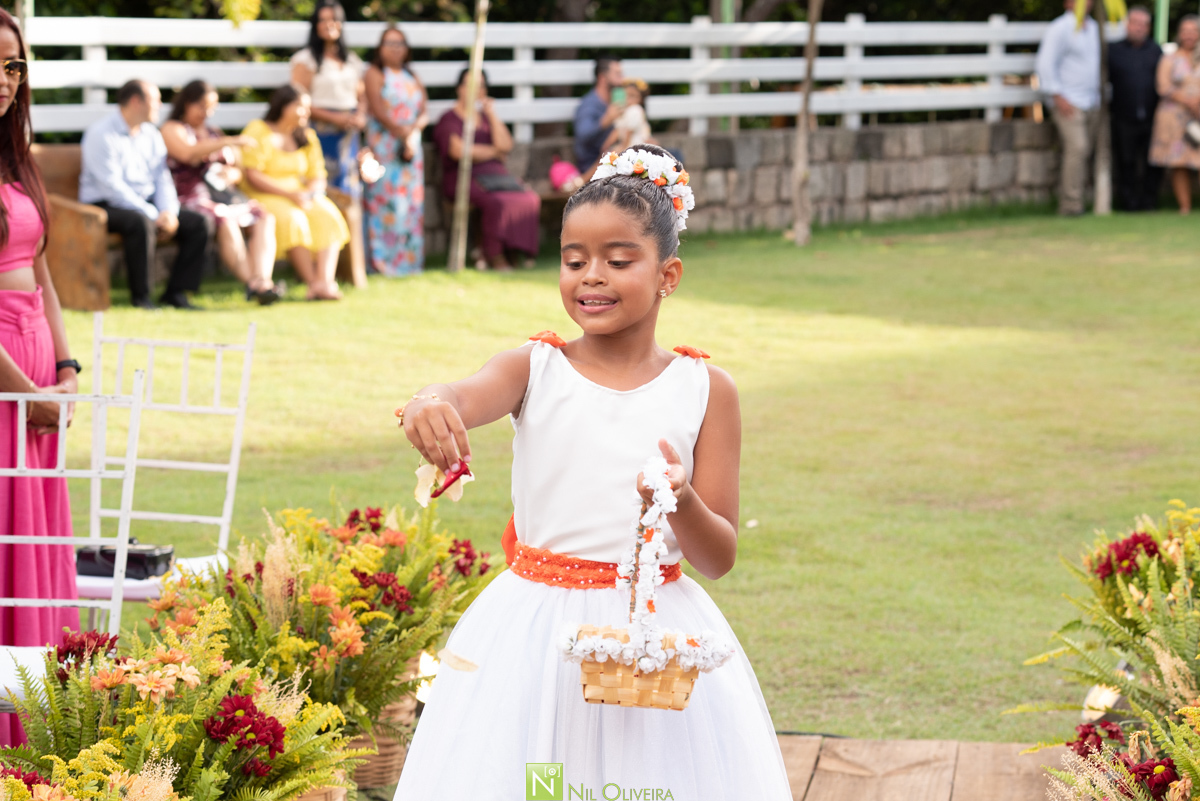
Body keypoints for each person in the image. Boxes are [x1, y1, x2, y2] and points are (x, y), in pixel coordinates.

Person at [392, 144, 790, 799]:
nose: (591, 277)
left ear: (667, 275)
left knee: (640, 782)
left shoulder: (706, 389)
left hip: (651, 636)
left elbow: (718, 557)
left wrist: (681, 499)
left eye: (618, 260)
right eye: (574, 260)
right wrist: (428, 403)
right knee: (540, 779)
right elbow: (460, 393)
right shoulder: (534, 368)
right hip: (537, 635)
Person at [0, 8, 82, 746]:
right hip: (3, 374)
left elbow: (44, 271)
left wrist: (65, 369)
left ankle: (39, 729)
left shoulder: (17, 159)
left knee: (35, 533)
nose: (4, 79)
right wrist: (27, 397)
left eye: (13, 65)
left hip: (34, 364)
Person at [79, 80, 209, 309]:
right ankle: (142, 297)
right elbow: (111, 187)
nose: (160, 105)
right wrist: (153, 214)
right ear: (136, 101)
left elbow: (162, 178)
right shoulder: (101, 134)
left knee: (200, 223)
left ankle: (176, 293)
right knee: (140, 223)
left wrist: (168, 212)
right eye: (156, 100)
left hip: (144, 203)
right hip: (104, 204)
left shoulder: (151, 134)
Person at [161, 80, 284, 305]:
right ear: (187, 103)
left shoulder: (213, 131)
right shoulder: (173, 129)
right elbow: (187, 154)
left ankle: (263, 281)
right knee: (225, 220)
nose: (206, 113)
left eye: (211, 108)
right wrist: (228, 141)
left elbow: (238, 169)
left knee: (263, 217)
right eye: (202, 106)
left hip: (223, 194)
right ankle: (253, 284)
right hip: (192, 195)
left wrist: (231, 174)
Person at [239, 85, 350, 301]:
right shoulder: (259, 130)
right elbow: (252, 174)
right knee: (293, 219)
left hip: (301, 194)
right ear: (282, 106)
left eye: (307, 107)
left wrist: (310, 193)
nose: (306, 112)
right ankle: (312, 282)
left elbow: (317, 174)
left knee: (328, 214)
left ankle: (325, 281)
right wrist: (290, 196)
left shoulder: (306, 135)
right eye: (300, 106)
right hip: (265, 193)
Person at [432, 69, 540, 271]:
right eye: (470, 84)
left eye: (481, 85)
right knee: (497, 202)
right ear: (459, 88)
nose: (476, 89)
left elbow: (506, 145)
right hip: (465, 176)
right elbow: (458, 151)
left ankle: (513, 250)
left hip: (497, 177)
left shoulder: (486, 117)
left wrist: (491, 113)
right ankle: (494, 255)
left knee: (530, 198)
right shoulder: (449, 118)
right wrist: (494, 152)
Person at [364, 24, 427, 277]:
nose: (395, 48)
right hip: (386, 148)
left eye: (399, 43)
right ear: (380, 47)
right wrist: (402, 133)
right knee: (386, 203)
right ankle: (384, 263)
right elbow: (378, 110)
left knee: (411, 205)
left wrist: (412, 134)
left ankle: (409, 263)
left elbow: (424, 111)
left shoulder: (412, 75)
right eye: (389, 43)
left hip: (411, 148)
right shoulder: (374, 73)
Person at [290, 0, 366, 198]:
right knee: (323, 187)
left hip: (348, 135)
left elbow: (361, 96)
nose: (329, 24)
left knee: (348, 188)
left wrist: (360, 116)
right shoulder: (305, 60)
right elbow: (297, 101)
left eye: (333, 19)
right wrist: (334, 118)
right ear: (315, 25)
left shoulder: (351, 60)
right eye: (323, 20)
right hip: (319, 133)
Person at [1036, 0, 1102, 216]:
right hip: (1068, 100)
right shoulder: (1060, 28)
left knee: (1085, 152)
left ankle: (1081, 199)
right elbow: (1045, 63)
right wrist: (1057, 95)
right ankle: (1070, 205)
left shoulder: (1094, 27)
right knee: (1078, 148)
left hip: (1091, 100)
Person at [1109, 6, 1163, 211]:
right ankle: (1128, 203)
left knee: (1153, 162)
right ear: (1128, 25)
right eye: (1136, 23)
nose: (1140, 28)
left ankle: (1149, 202)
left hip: (1152, 116)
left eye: (1144, 24)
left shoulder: (1155, 51)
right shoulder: (1114, 50)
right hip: (1123, 116)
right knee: (1126, 161)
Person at [1149, 15, 1200, 214]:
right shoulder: (1170, 58)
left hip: (1198, 116)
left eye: (1193, 31)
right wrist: (1187, 101)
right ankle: (1184, 206)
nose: (1189, 35)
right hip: (1175, 117)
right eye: (1185, 31)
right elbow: (1162, 86)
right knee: (1179, 162)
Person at [573, 56, 625, 174]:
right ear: (602, 78)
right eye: (617, 74)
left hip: (617, 160)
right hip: (594, 167)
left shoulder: (616, 102)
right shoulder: (589, 105)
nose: (622, 79)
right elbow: (583, 136)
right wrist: (606, 120)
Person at [602, 78, 653, 153]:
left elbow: (629, 132)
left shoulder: (636, 110)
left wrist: (623, 148)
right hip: (629, 146)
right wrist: (606, 145)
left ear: (641, 99)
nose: (628, 99)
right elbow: (617, 131)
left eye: (633, 96)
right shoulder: (624, 112)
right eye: (626, 95)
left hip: (636, 147)